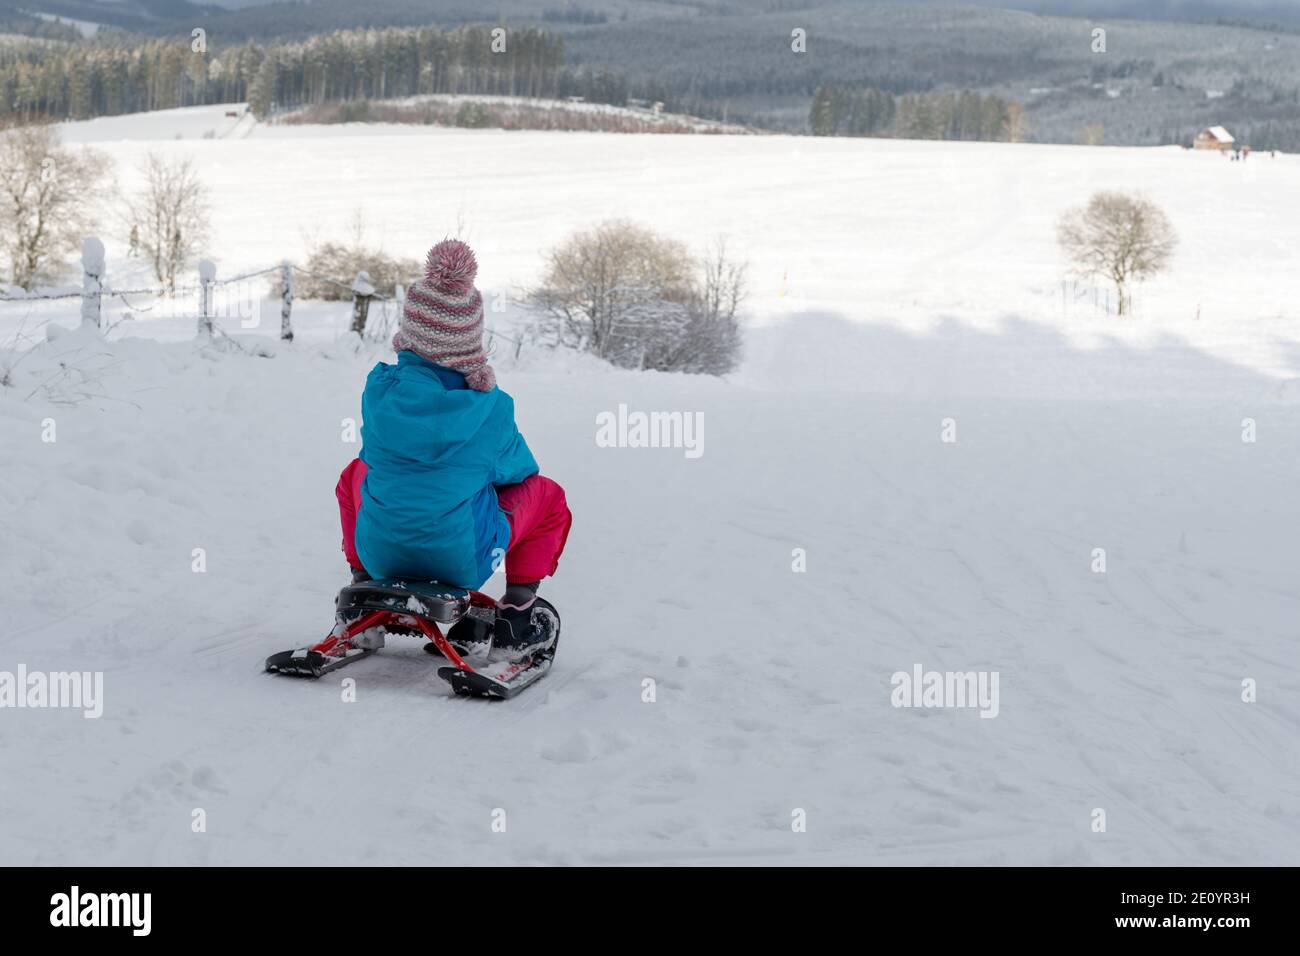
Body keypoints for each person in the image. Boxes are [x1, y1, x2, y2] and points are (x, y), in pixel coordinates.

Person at [334, 239, 572, 660]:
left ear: (408, 333)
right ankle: (518, 614)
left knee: (355, 472)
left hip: (381, 552)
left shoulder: (378, 395)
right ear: (469, 342)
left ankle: (360, 589)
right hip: (462, 562)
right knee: (547, 495)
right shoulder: (489, 408)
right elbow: (520, 470)